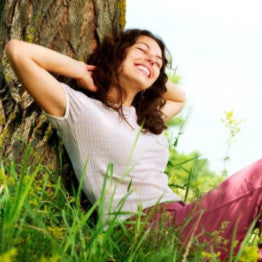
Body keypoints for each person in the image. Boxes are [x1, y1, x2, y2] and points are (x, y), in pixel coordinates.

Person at [4, 29, 262, 260]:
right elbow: (18, 51)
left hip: (182, 221)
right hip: (145, 228)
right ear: (116, 56)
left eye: (158, 62)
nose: (152, 60)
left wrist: (147, 69)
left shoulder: (146, 120)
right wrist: (84, 69)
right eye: (142, 50)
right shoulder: (80, 111)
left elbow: (179, 96)